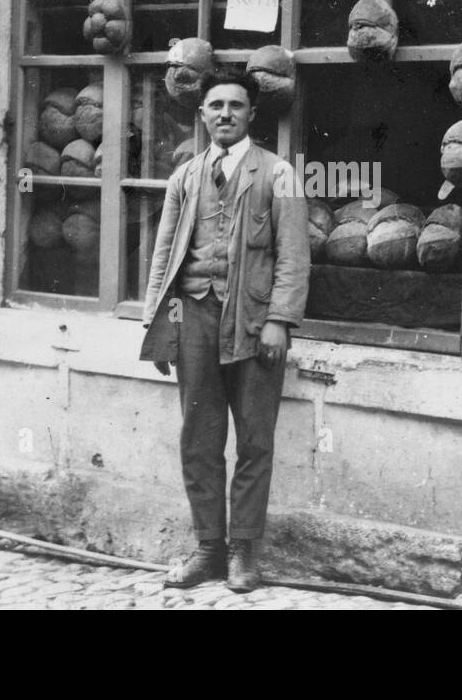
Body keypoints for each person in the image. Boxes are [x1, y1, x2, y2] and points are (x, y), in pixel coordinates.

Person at [140, 66, 310, 592]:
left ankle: (243, 554)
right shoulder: (185, 177)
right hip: (193, 317)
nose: (225, 115)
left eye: (236, 106)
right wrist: (159, 325)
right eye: (216, 106)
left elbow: (294, 256)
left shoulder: (278, 174)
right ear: (202, 114)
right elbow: (165, 256)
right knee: (199, 438)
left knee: (255, 440)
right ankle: (208, 549)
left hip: (257, 324)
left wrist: (280, 321)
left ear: (252, 114)